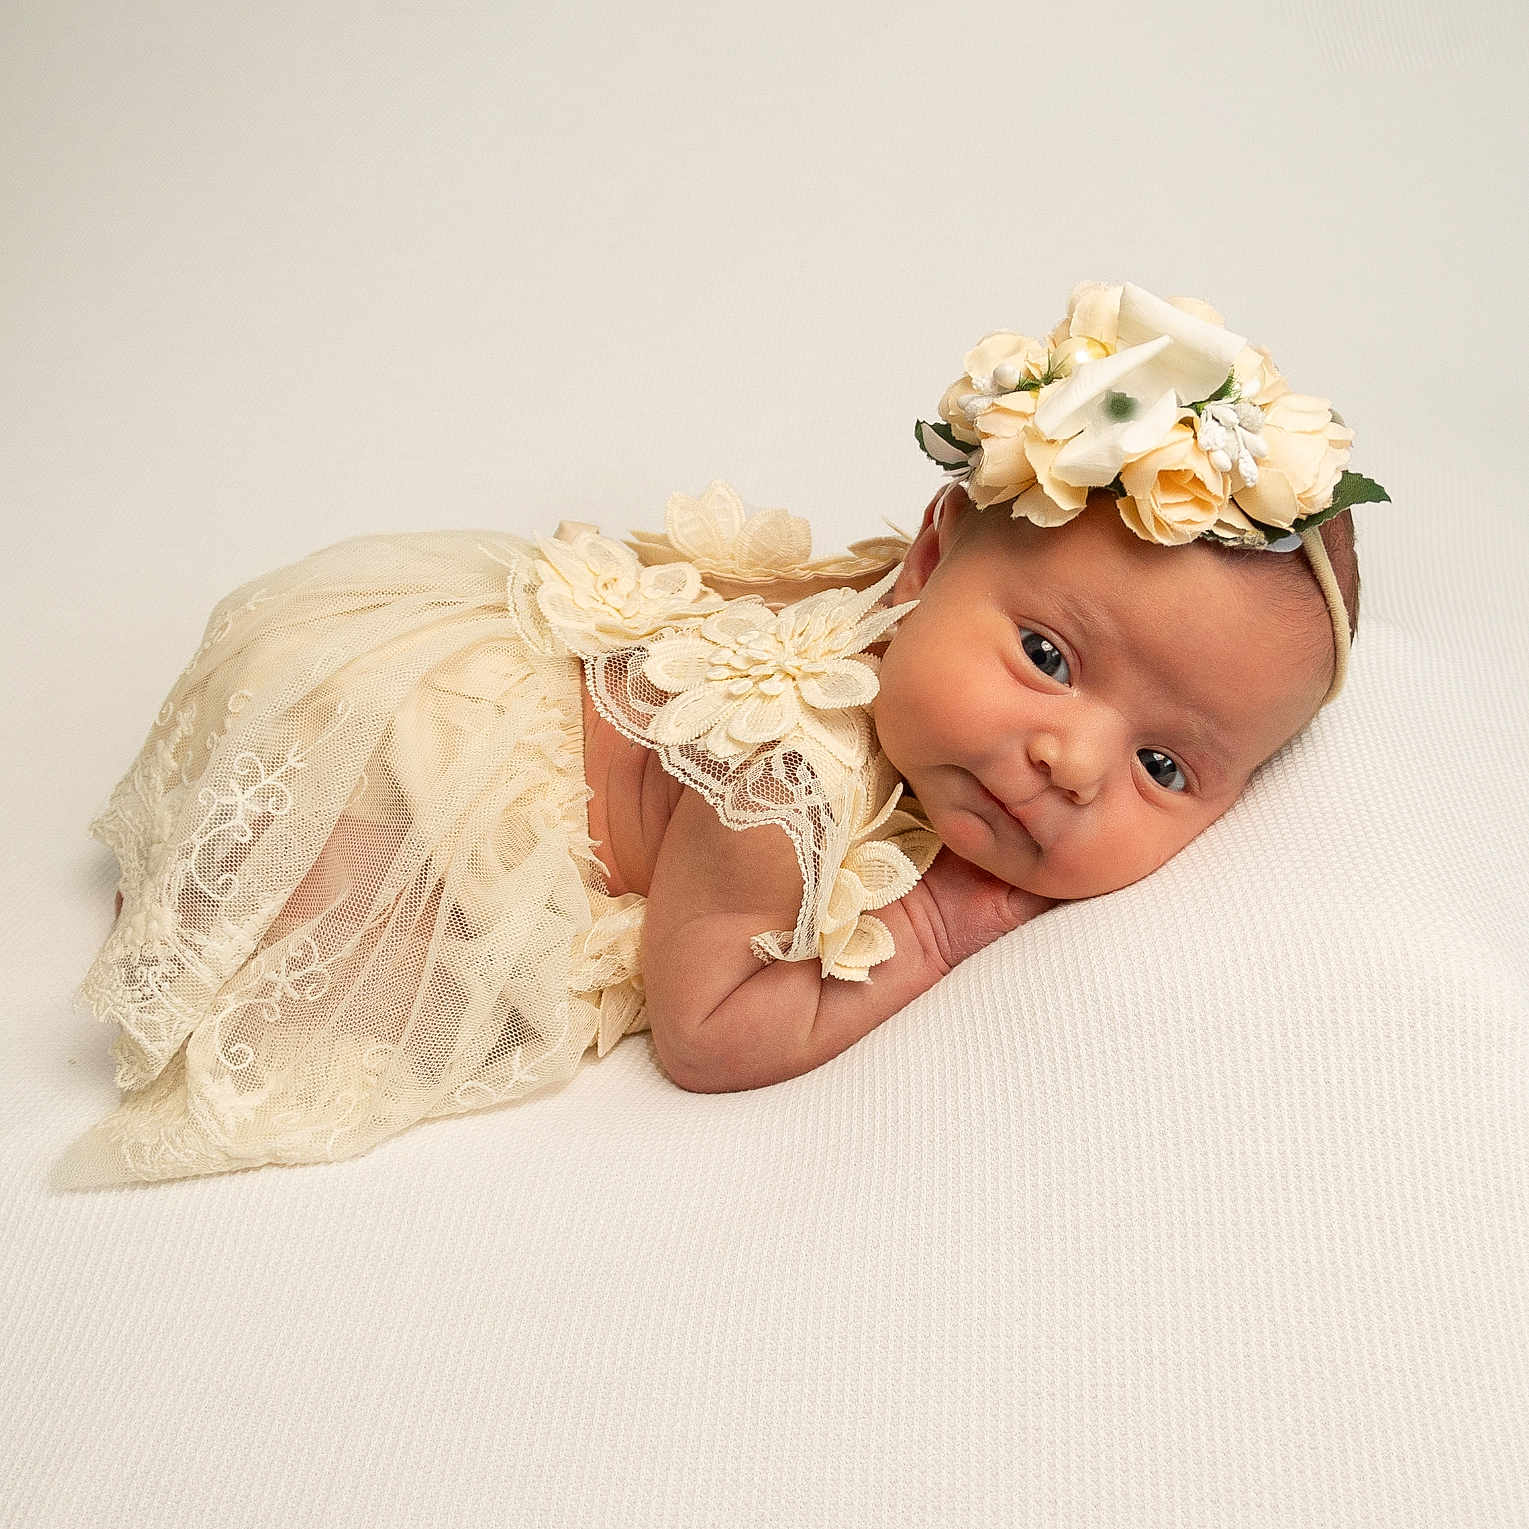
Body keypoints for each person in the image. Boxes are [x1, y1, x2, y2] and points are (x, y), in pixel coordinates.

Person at [52, 279, 1382, 1189]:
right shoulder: (780, 780)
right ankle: (215, 886)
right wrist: (931, 927)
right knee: (356, 948)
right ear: (923, 558)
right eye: (1046, 658)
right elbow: (705, 1031)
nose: (1072, 762)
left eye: (1166, 764)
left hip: (405, 667)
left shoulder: (921, 637)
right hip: (406, 734)